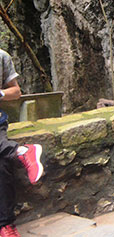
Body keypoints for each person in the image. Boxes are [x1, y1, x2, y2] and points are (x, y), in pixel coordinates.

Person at [1, 49, 44, 237]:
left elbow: (16, 91)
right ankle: (20, 151)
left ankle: (5, 226)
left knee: (1, 164)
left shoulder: (1, 57)